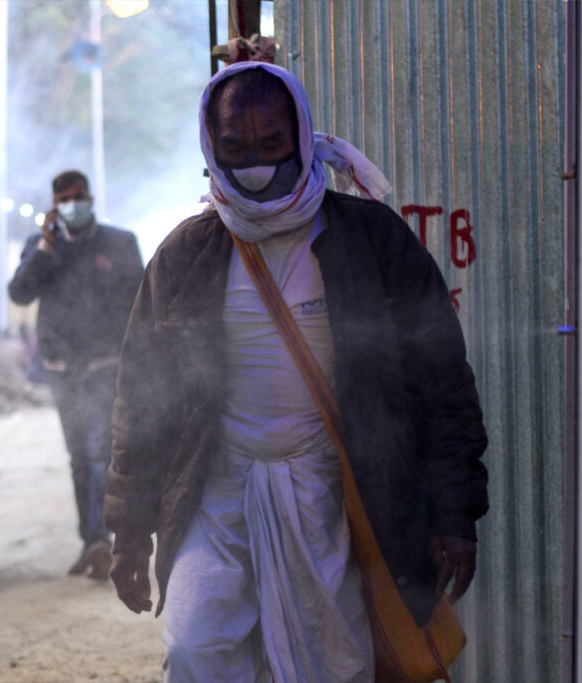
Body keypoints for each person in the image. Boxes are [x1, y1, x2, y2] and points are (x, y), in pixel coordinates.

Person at [103, 61, 488, 681]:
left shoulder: (373, 241)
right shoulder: (186, 255)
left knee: (334, 666)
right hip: (216, 491)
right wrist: (129, 530)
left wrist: (454, 513)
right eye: (235, 147)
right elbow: (143, 400)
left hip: (336, 494)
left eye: (271, 144)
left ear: (302, 137)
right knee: (195, 650)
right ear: (211, 148)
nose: (254, 162)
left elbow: (442, 383)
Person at [8, 170, 145, 580]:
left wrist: (139, 358)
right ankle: (91, 541)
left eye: (79, 196)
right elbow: (19, 293)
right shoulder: (40, 247)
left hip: (105, 366)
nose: (74, 203)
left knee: (100, 450)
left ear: (91, 198)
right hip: (61, 370)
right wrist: (46, 248)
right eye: (65, 198)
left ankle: (102, 538)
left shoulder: (119, 243)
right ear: (54, 205)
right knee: (77, 457)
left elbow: (140, 300)